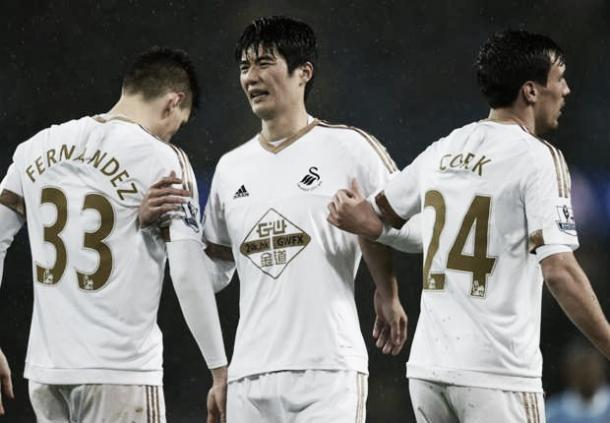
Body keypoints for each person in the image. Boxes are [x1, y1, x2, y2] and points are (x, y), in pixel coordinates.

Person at [139, 16, 421, 423]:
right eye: (243, 68)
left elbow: (411, 228)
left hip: (328, 369)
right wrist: (158, 231)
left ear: (303, 72)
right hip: (250, 375)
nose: (250, 77)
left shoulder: (350, 148)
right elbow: (215, 274)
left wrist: (387, 287)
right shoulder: (230, 168)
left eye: (264, 63)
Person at [328, 30, 610, 422]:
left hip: (428, 373)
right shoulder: (539, 159)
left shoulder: (444, 148)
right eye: (559, 77)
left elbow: (367, 218)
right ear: (530, 91)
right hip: (498, 375)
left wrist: (387, 291)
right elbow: (560, 271)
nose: (566, 89)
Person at [0, 47, 228, 423]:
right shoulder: (163, 160)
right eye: (180, 123)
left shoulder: (35, 148)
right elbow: (187, 274)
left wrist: (131, 223)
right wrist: (219, 369)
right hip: (120, 371)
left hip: (46, 373)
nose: (172, 135)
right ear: (174, 102)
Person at [546, 340, 610, 423]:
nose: (587, 373)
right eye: (581, 368)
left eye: (591, 367)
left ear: (602, 368)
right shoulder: (552, 413)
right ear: (569, 371)